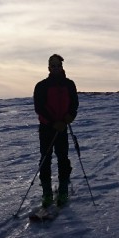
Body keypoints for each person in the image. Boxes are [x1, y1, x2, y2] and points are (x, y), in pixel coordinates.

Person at [33, 54, 79, 207]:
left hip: (63, 127)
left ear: (62, 66)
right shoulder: (41, 86)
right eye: (53, 66)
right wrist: (54, 123)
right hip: (47, 127)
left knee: (63, 158)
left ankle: (63, 190)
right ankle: (47, 193)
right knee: (45, 158)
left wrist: (70, 116)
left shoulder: (69, 84)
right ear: (49, 68)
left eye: (58, 65)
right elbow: (39, 107)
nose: (56, 68)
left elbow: (74, 103)